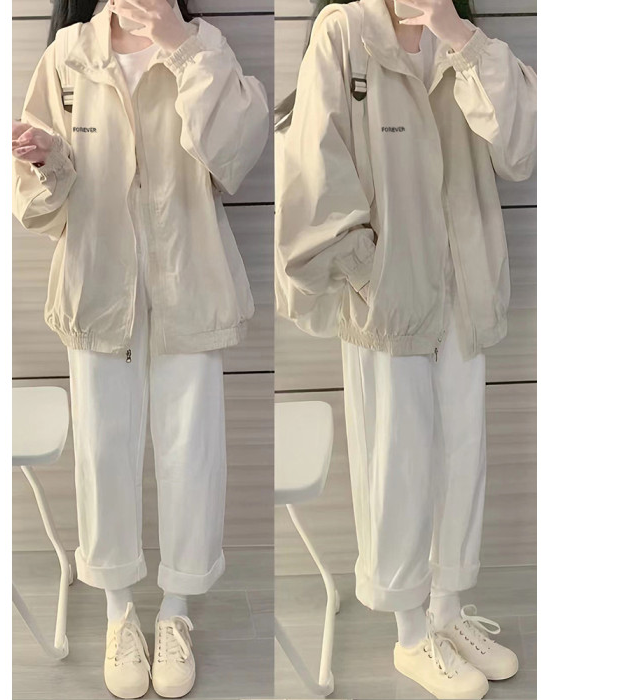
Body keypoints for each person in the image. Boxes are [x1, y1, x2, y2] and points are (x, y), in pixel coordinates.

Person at [275, 0, 536, 698]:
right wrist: (371, 273)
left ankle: (446, 612)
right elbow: (314, 164)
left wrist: (458, 35)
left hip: (462, 293)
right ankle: (410, 634)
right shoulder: (344, 33)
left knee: (461, 454)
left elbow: (521, 147)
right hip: (387, 299)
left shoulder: (465, 40)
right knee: (396, 462)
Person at [11, 1, 269, 697]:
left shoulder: (205, 46)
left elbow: (235, 157)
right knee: (104, 450)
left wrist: (182, 49)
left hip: (190, 283)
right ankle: (119, 611)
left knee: (192, 451)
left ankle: (177, 609)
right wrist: (49, 163)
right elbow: (36, 206)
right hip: (99, 285)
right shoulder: (68, 55)